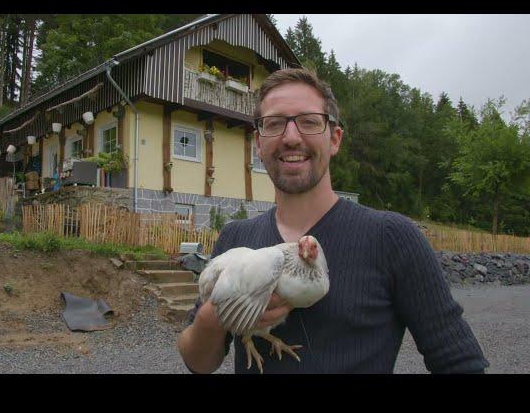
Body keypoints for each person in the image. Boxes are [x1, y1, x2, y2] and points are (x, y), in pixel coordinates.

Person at [176, 68, 489, 374]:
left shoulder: (391, 237)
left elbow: (458, 361)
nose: (291, 137)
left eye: (309, 122)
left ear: (335, 138)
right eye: (274, 124)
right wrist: (216, 313)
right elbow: (198, 362)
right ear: (258, 143)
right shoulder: (235, 238)